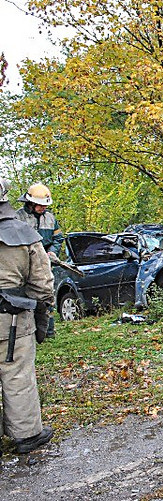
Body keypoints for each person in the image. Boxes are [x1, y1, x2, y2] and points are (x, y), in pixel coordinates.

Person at [0, 177, 55, 453]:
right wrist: (44, 312)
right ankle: (26, 435)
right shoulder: (22, 232)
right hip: (12, 320)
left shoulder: (45, 222)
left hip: (14, 316)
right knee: (17, 374)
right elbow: (42, 284)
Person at [16, 183, 63, 338]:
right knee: (25, 296)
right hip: (24, 264)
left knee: (47, 295)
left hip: (44, 264)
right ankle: (28, 332)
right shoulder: (18, 218)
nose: (43, 208)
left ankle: (48, 332)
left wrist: (52, 252)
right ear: (30, 203)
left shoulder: (50, 219)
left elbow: (58, 239)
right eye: (40, 205)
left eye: (45, 205)